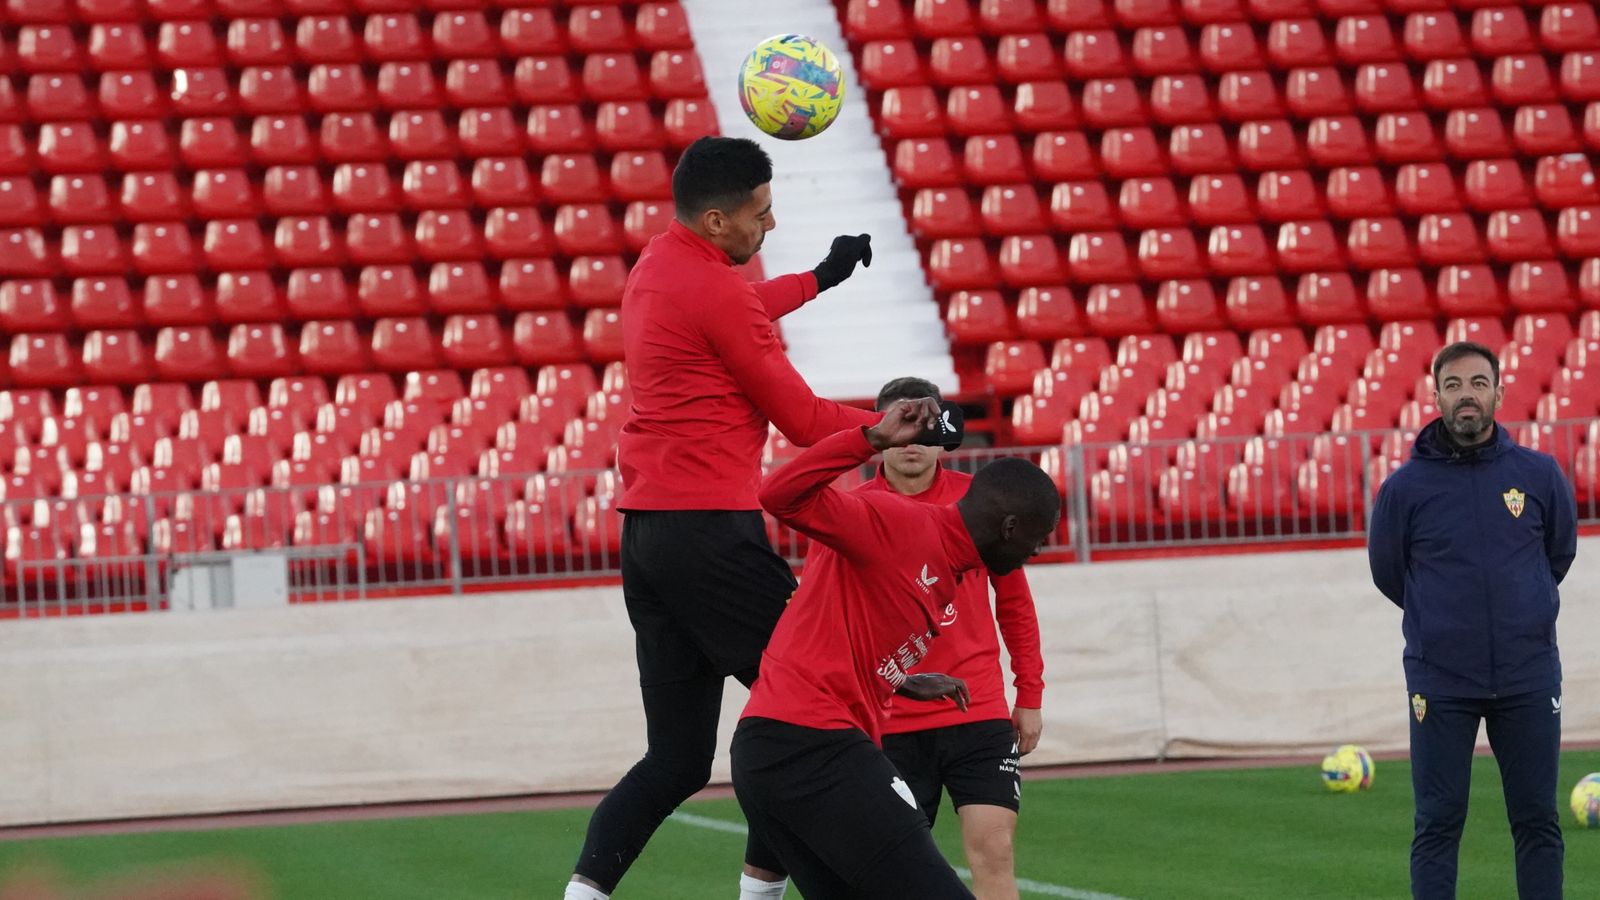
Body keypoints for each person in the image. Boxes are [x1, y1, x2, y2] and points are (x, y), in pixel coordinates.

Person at [565, 136, 880, 900]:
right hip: (709, 533)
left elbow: (738, 309)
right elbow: (806, 421)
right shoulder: (714, 291)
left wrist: (822, 278)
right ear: (716, 220)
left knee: (674, 761)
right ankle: (767, 893)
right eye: (760, 216)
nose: (768, 228)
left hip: (649, 536)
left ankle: (581, 897)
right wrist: (893, 425)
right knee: (819, 709)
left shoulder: (658, 265)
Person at [732, 399, 1061, 899]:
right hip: (810, 745)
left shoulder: (949, 561)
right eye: (1038, 540)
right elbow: (779, 494)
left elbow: (843, 628)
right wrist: (868, 438)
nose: (1035, 553)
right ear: (1010, 529)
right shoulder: (898, 521)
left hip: (781, 748)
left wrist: (899, 679)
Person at [1368, 341, 1576, 900]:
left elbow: (1557, 556)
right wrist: (1443, 623)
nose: (1466, 396)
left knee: (1537, 819)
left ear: (1499, 393)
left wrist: (1520, 610)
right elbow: (1390, 574)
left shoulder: (1538, 474)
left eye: (1478, 384)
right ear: (1435, 396)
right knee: (1437, 821)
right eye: (1454, 385)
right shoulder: (1404, 489)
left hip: (1528, 676)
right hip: (1441, 680)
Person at [862, 379, 1044, 900]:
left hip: (978, 711)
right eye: (903, 424)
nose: (914, 439)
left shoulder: (981, 502)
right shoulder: (855, 509)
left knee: (995, 849)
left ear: (944, 433)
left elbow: (1014, 603)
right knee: (891, 870)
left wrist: (1029, 694)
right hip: (891, 719)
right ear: (880, 432)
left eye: (926, 426)